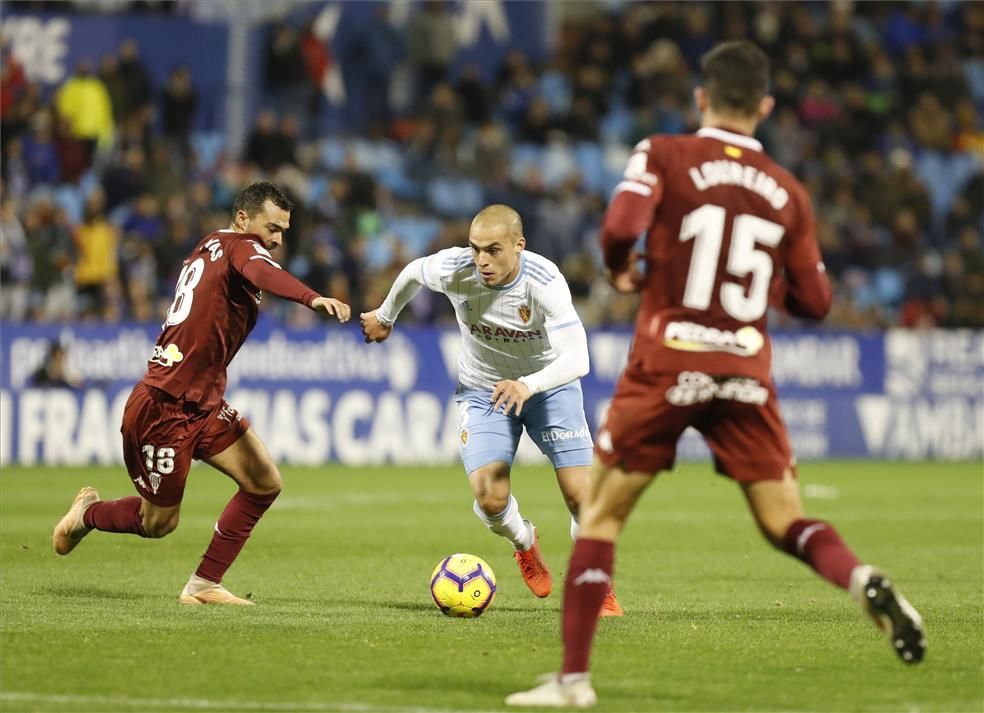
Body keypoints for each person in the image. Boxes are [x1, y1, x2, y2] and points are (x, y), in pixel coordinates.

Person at [506, 41, 926, 708]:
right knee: (784, 518)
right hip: (745, 368)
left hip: (670, 357)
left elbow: (619, 225)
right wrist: (770, 292)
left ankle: (573, 681)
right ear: (765, 105)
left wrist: (621, 265)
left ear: (701, 97)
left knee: (601, 516)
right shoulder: (790, 191)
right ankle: (863, 577)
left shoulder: (665, 153)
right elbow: (816, 302)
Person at [52, 181, 351, 605]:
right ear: (243, 219)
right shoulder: (241, 248)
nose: (277, 240)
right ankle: (87, 514)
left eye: (283, 232)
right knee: (158, 523)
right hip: (165, 405)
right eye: (271, 228)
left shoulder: (213, 244)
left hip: (202, 400)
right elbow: (261, 270)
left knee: (264, 481)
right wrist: (312, 298)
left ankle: (204, 584)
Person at [361, 204, 621, 616]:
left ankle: (596, 585)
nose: (482, 260)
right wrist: (385, 315)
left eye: (494, 250)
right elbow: (413, 272)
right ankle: (525, 544)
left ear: (519, 246)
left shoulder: (544, 281)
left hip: (547, 386)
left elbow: (579, 359)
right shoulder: (455, 268)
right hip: (484, 389)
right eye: (476, 248)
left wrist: (528, 385)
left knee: (582, 496)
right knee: (490, 496)